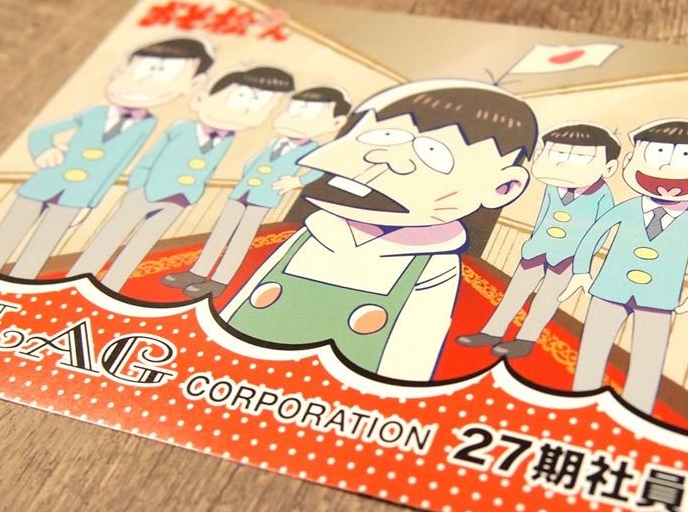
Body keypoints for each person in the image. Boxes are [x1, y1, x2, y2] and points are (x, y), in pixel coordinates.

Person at [220, 82, 538, 381]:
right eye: (382, 137)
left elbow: (415, 347)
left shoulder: (432, 263)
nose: (384, 159)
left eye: (432, 153)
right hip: (242, 369)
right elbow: (237, 309)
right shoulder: (312, 232)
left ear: (503, 187)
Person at [0, 38, 213, 278]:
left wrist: (89, 203)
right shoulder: (94, 112)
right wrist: (44, 151)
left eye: (163, 74)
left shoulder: (148, 124)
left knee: (39, 251)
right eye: (141, 70)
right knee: (2, 242)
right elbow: (43, 132)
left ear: (193, 84)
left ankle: (20, 282)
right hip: (44, 182)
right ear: (121, 71)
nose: (144, 82)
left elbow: (114, 168)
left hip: (78, 197)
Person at [561, 119, 688, 413]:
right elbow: (595, 234)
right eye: (657, 154)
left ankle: (637, 408)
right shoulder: (627, 208)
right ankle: (581, 395)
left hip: (658, 300)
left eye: (686, 158)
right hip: (609, 290)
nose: (666, 167)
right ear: (631, 160)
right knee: (593, 346)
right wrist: (581, 270)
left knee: (648, 358)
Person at [69, 65, 293, 291]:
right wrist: (137, 187)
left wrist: (192, 194)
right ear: (201, 100)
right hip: (146, 192)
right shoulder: (182, 128)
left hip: (178, 199)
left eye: (259, 104)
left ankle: (111, 286)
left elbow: (208, 167)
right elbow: (151, 158)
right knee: (109, 238)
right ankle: (76, 280)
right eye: (241, 98)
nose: (245, 110)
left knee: (140, 245)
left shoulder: (228, 137)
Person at [163, 86, 351, 298]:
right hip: (242, 192)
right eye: (294, 109)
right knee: (220, 234)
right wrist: (246, 177)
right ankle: (197, 272)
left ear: (335, 122)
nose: (295, 117)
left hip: (264, 197)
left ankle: (219, 281)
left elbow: (318, 170)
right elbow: (254, 162)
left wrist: (297, 181)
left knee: (241, 239)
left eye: (309, 113)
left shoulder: (312, 149)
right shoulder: (275, 141)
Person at [456, 123, 619, 359]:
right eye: (559, 154)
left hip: (567, 259)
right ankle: (491, 332)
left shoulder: (602, 195)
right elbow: (544, 215)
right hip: (537, 252)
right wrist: (532, 242)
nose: (564, 164)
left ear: (607, 166)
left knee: (546, 300)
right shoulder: (553, 186)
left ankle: (526, 339)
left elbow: (598, 235)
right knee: (514, 294)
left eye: (580, 157)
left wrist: (581, 264)